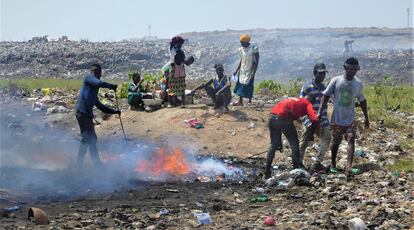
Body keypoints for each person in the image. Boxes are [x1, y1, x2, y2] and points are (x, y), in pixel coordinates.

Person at [318, 57, 369, 178]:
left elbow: (362, 100)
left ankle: (349, 166)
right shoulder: (336, 80)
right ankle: (333, 163)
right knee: (336, 142)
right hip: (337, 119)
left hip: (350, 118)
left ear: (358, 69)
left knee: (351, 138)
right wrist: (320, 111)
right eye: (350, 69)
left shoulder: (358, 83)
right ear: (345, 68)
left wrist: (366, 117)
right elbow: (325, 95)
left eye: (354, 69)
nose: (352, 71)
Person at [75, 64, 120, 168]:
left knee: (90, 139)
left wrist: (114, 111)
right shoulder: (89, 78)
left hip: (86, 115)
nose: (100, 76)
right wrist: (111, 86)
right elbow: (99, 82)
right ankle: (88, 164)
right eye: (99, 73)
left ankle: (91, 163)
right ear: (97, 73)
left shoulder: (93, 91)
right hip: (82, 113)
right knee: (88, 138)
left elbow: (100, 106)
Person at [264, 97, 319, 179]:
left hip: (272, 117)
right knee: (294, 144)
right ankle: (296, 170)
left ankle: (267, 172)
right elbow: (315, 119)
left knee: (273, 144)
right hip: (284, 119)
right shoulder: (308, 104)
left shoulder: (295, 100)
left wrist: (279, 141)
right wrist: (311, 134)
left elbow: (280, 113)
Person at [299, 63, 331, 171]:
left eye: (324, 73)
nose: (322, 76)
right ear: (314, 73)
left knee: (326, 137)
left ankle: (317, 162)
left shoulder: (326, 88)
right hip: (309, 118)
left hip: (322, 118)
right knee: (304, 140)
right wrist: (308, 119)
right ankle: (298, 162)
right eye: (320, 73)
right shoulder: (307, 87)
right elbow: (301, 104)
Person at [233, 34, 259, 106]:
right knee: (240, 84)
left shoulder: (254, 48)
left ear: (247, 42)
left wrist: (254, 71)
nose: (241, 44)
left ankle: (249, 101)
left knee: (249, 85)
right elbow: (241, 60)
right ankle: (240, 101)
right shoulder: (241, 49)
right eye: (241, 43)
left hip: (250, 70)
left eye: (242, 43)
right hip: (242, 70)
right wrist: (237, 70)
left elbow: (256, 61)